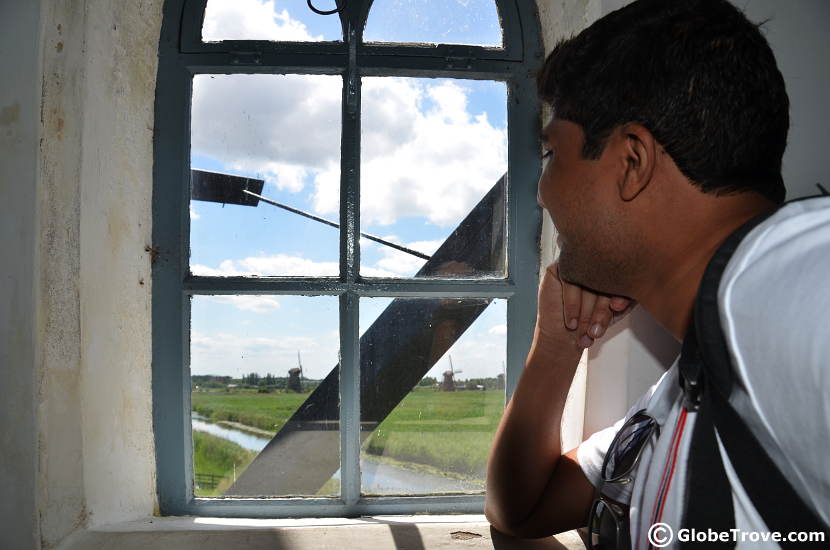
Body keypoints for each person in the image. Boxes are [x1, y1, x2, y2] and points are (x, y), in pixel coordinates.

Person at [484, 0, 830, 547]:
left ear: (631, 162)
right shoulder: (675, 400)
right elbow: (519, 508)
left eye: (553, 154)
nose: (542, 191)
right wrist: (556, 344)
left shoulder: (802, 283)